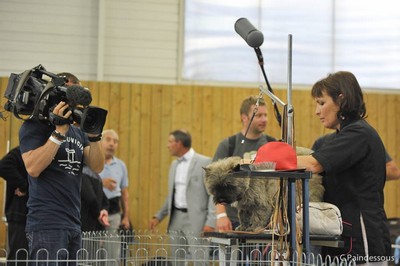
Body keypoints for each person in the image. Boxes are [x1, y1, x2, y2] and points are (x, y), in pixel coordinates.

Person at [297, 71, 391, 264]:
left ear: (341, 99)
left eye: (322, 103)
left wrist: (267, 158)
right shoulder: (338, 138)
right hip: (345, 236)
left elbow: (313, 164)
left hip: (363, 240)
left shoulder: (358, 134)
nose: (317, 111)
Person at [19, 72, 105, 265]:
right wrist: (58, 133)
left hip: (73, 221)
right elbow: (33, 168)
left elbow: (97, 166)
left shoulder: (77, 131)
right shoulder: (34, 126)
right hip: (46, 222)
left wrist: (94, 136)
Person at [149, 129, 215, 265]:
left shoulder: (205, 162)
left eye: (170, 142)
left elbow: (213, 195)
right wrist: (158, 216)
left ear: (179, 143)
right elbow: (172, 196)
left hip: (197, 221)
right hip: (176, 219)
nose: (168, 145)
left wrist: (211, 222)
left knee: (200, 260)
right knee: (176, 260)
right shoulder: (174, 165)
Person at [212, 95, 275, 232]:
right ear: (244, 118)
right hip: (234, 219)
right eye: (258, 115)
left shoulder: (273, 145)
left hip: (267, 219)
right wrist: (221, 215)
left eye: (265, 115)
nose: (264, 119)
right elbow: (216, 185)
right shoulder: (228, 145)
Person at [312, 133, 400, 181]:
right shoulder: (322, 142)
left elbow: (393, 171)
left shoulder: (364, 139)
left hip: (359, 207)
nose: (317, 112)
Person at [98, 129, 130, 263]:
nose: (112, 144)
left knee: (113, 254)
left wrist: (126, 217)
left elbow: (124, 193)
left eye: (115, 141)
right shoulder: (92, 163)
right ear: (100, 141)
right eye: (108, 140)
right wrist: (101, 183)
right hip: (95, 213)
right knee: (93, 249)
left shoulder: (121, 165)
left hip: (115, 213)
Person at [0, 146, 29, 265]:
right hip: (20, 213)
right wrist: (25, 186)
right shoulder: (24, 150)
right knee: (19, 257)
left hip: (27, 214)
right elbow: (4, 166)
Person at [80, 164, 110, 232]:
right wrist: (103, 212)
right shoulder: (97, 176)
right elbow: (105, 201)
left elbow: (91, 198)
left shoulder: (82, 174)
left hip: (84, 225)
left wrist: (98, 215)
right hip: (96, 226)